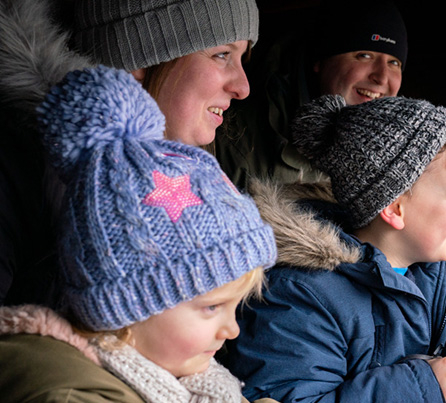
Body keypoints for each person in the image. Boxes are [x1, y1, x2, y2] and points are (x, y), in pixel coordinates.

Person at [221, 95, 446, 402]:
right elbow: (294, 397)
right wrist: (425, 388)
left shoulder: (426, 272)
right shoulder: (299, 297)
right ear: (395, 209)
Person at [0, 65, 278, 402]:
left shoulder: (190, 383)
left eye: (233, 306)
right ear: (126, 311)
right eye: (211, 307)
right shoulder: (72, 394)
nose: (231, 330)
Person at [0, 0, 259, 306]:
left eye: (242, 58)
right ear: (141, 57)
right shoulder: (15, 166)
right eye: (222, 55)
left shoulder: (197, 180)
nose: (243, 87)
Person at [215, 0, 408, 188]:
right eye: (364, 56)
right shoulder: (241, 136)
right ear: (321, 61)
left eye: (394, 63)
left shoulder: (406, 156)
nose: (382, 78)